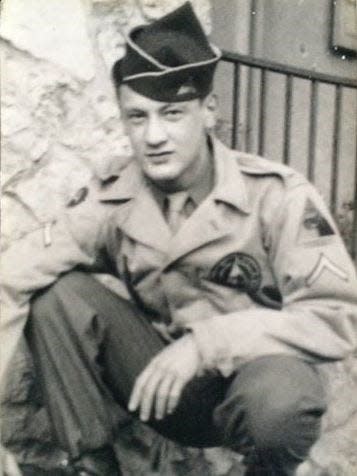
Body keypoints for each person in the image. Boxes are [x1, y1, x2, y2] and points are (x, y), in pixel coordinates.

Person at [1, 3, 357, 475]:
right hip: (161, 388)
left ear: (208, 110)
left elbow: (335, 317)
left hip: (250, 387)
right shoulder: (113, 200)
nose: (153, 137)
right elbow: (10, 277)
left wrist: (204, 344)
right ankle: (91, 465)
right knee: (57, 295)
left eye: (172, 114)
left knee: (281, 401)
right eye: (137, 117)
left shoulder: (276, 195)